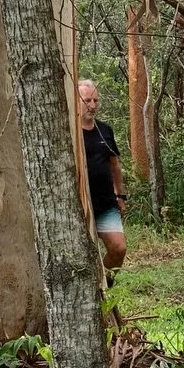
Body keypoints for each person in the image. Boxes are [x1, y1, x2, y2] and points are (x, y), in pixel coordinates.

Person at [77, 79, 127, 271]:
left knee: (118, 249)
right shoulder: (70, 131)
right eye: (87, 100)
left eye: (96, 100)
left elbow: (114, 165)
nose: (92, 105)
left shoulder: (105, 130)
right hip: (79, 204)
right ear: (76, 100)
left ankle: (106, 283)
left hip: (106, 203)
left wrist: (120, 195)